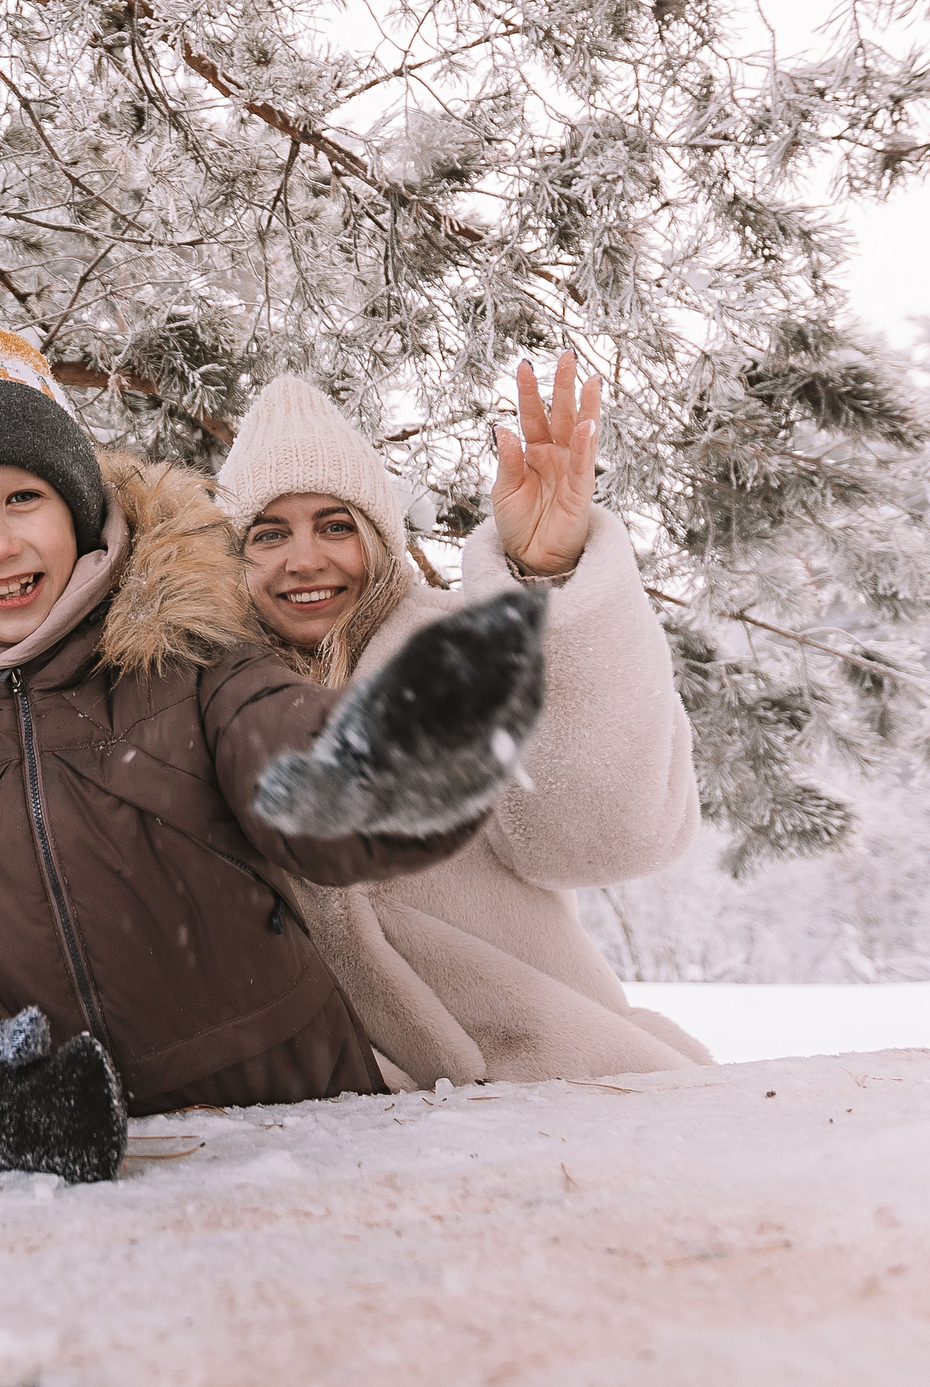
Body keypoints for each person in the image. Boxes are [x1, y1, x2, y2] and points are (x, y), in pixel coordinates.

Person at [0, 304, 549, 1185]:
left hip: (295, 1129)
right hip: (71, 1166)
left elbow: (274, 738)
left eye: (23, 498)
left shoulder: (186, 655)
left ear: (77, 508)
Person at [217, 358, 713, 1086]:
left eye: (334, 524)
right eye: (268, 534)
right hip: (347, 1125)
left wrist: (552, 585)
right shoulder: (204, 709)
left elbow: (609, 835)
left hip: (560, 1081)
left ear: (379, 540)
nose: (305, 558)